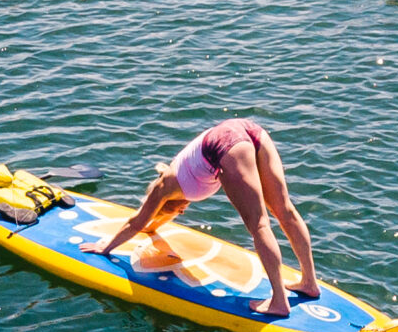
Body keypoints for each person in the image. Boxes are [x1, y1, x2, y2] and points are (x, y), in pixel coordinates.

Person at [84, 118, 319, 318]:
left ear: (163, 206)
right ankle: (309, 283)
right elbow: (151, 223)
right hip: (248, 130)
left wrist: (106, 246)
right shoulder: (177, 179)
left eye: (174, 212)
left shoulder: (164, 186)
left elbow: (137, 221)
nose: (181, 212)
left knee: (259, 225)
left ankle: (279, 301)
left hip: (228, 144)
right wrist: (153, 226)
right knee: (285, 211)